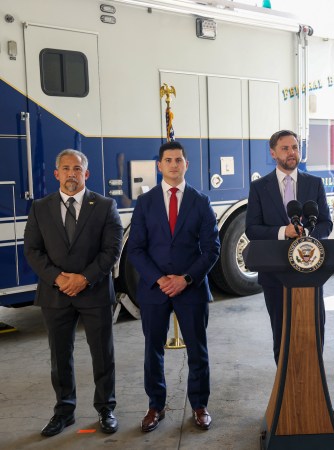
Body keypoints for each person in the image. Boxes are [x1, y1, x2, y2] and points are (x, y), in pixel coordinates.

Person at [24, 149, 123, 437]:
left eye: (77, 169)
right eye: (66, 169)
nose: (71, 174)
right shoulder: (40, 208)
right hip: (55, 295)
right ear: (56, 174)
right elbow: (32, 250)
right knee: (60, 356)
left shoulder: (104, 206)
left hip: (94, 293)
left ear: (86, 174)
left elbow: (112, 250)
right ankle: (64, 411)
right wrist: (58, 278)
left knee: (103, 354)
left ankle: (106, 408)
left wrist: (84, 279)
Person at [127, 141, 220, 432]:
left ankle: (200, 406)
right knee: (153, 351)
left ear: (186, 165)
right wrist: (159, 279)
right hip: (154, 290)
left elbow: (212, 249)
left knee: (198, 351)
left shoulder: (200, 201)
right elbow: (135, 249)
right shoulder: (145, 202)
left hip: (191, 288)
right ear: (159, 165)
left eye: (178, 160)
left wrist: (185, 279)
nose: (173, 165)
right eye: (168, 160)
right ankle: (155, 406)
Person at [245, 130, 333, 365]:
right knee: (282, 333)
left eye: (295, 147)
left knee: (314, 331)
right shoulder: (259, 187)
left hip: (311, 271)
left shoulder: (314, 183)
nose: (292, 152)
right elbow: (251, 229)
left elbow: (326, 223)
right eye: (285, 148)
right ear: (273, 153)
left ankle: (314, 383)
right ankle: (285, 385)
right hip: (274, 274)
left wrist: (308, 235)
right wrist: (284, 231)